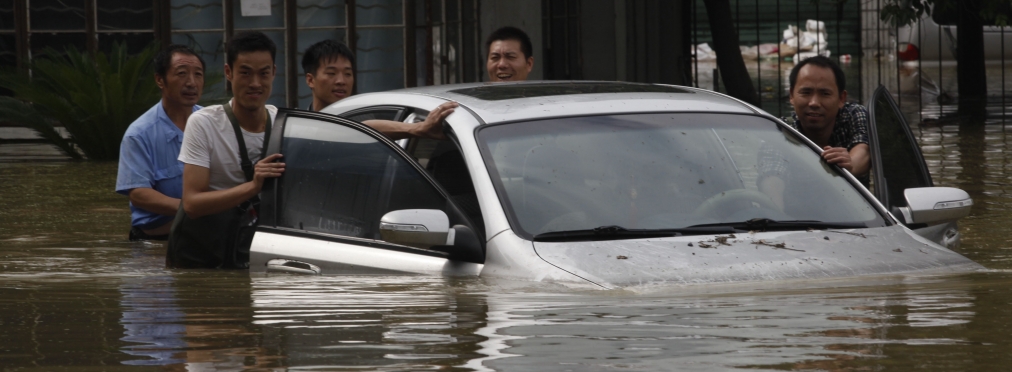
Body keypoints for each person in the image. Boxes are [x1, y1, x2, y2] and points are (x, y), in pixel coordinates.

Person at [116, 44, 205, 241]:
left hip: (208, 233)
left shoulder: (213, 123)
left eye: (198, 75)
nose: (191, 83)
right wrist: (193, 208)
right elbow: (139, 193)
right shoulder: (138, 134)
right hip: (157, 241)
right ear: (160, 80)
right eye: (182, 74)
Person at [758, 55, 870, 211]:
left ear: (841, 98)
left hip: (861, 222)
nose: (814, 103)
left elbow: (863, 151)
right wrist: (776, 214)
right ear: (791, 95)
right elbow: (772, 176)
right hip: (797, 223)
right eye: (806, 92)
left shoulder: (853, 115)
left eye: (825, 94)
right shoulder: (781, 130)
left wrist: (849, 165)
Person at [300, 38, 458, 140]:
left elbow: (364, 127)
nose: (341, 81)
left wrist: (417, 128)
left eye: (348, 74)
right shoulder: (298, 126)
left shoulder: (360, 114)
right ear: (310, 80)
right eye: (331, 73)